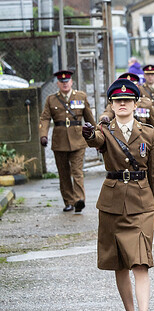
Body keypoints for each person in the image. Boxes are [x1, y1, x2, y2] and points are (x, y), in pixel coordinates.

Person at [82, 78, 154, 311]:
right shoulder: (105, 130)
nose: (123, 104)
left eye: (127, 100)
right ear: (112, 104)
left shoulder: (149, 133)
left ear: (135, 103)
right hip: (113, 203)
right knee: (120, 263)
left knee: (140, 262)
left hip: (142, 203)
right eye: (118, 101)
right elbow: (95, 140)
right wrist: (89, 134)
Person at [39, 70, 95, 212]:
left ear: (71, 82)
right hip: (60, 141)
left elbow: (89, 118)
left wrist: (96, 136)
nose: (65, 84)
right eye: (62, 82)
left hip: (78, 139)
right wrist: (43, 135)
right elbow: (45, 118)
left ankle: (79, 200)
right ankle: (68, 201)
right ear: (58, 84)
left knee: (77, 171)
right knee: (64, 173)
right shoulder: (51, 99)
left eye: (67, 81)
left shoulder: (80, 97)